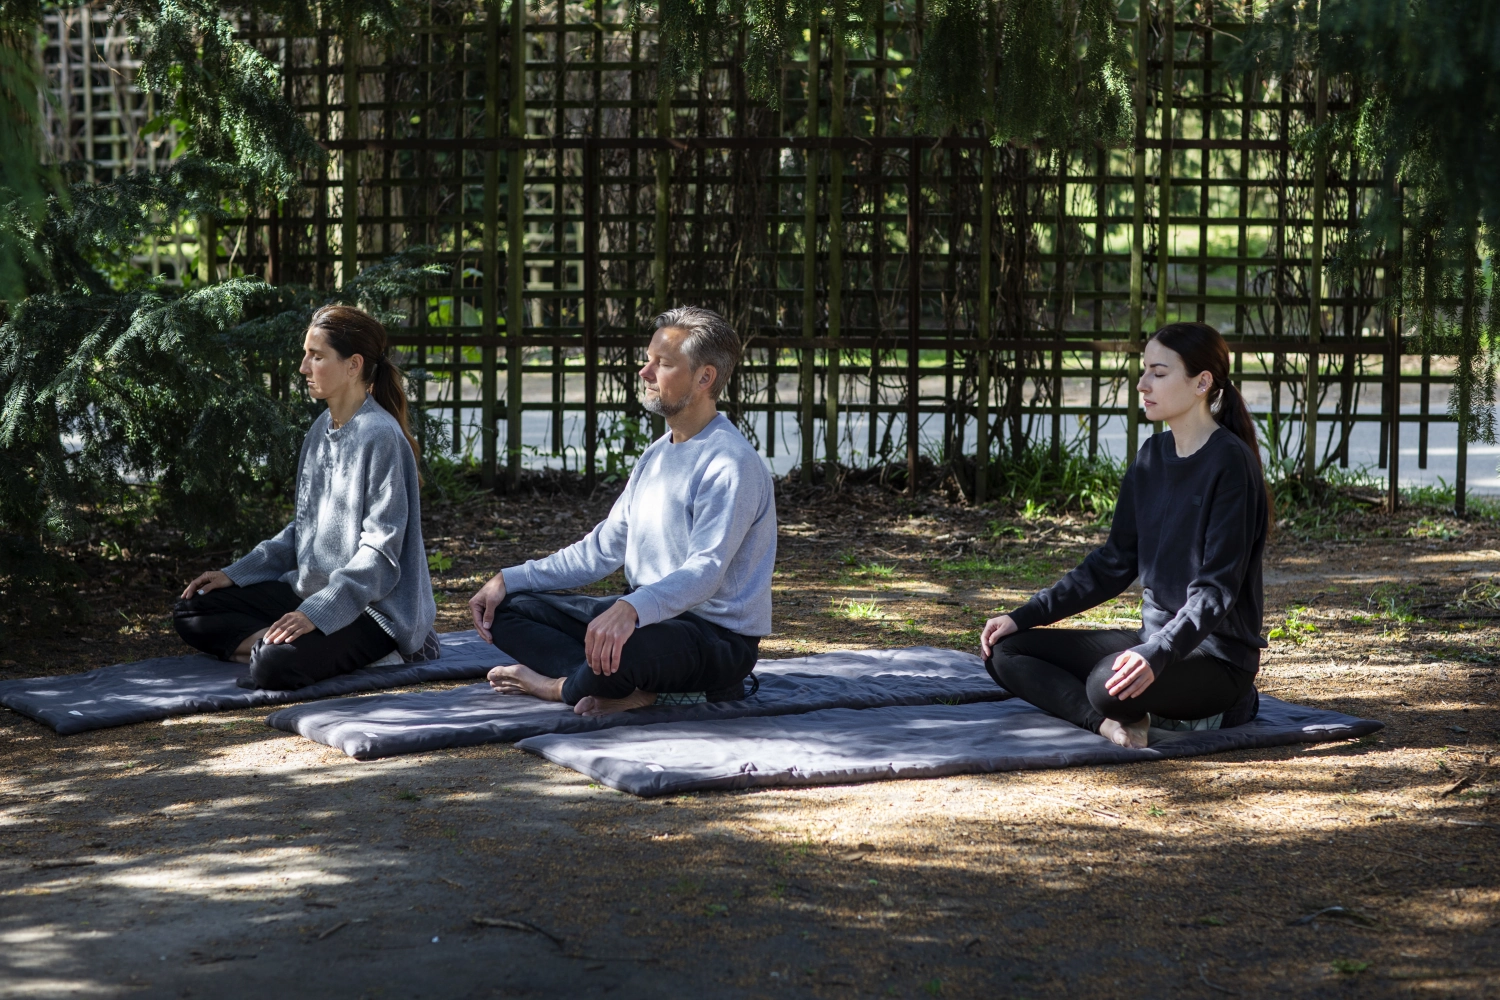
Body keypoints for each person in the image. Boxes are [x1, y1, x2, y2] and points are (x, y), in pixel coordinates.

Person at [468, 306, 775, 717]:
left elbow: (705, 570)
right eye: (647, 360)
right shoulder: (656, 455)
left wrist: (631, 609)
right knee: (506, 609)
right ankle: (621, 686)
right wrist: (508, 578)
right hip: (647, 617)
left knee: (627, 648)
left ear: (705, 377)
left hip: (714, 638)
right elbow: (602, 549)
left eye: (662, 364)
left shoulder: (730, 462)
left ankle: (558, 687)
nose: (645, 373)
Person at [980, 322, 1268, 748]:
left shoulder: (1230, 464)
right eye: (1143, 370)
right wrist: (1025, 615)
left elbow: (1216, 590)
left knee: (1105, 684)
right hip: (1154, 643)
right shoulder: (1151, 457)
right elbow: (1114, 563)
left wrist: (1157, 653)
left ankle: (1222, 709)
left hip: (1215, 659)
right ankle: (1107, 725)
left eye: (1158, 372)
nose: (1142, 384)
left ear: (1201, 382)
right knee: (1004, 650)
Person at [174, 305, 438, 690]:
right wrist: (235, 575)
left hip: (373, 610)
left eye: (316, 356)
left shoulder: (381, 437)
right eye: (306, 355)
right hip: (310, 591)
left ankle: (358, 651)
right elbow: (305, 529)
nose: (303, 367)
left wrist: (319, 613)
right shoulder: (321, 429)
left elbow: (380, 556)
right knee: (193, 608)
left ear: (353, 365)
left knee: (273, 665)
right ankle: (279, 644)